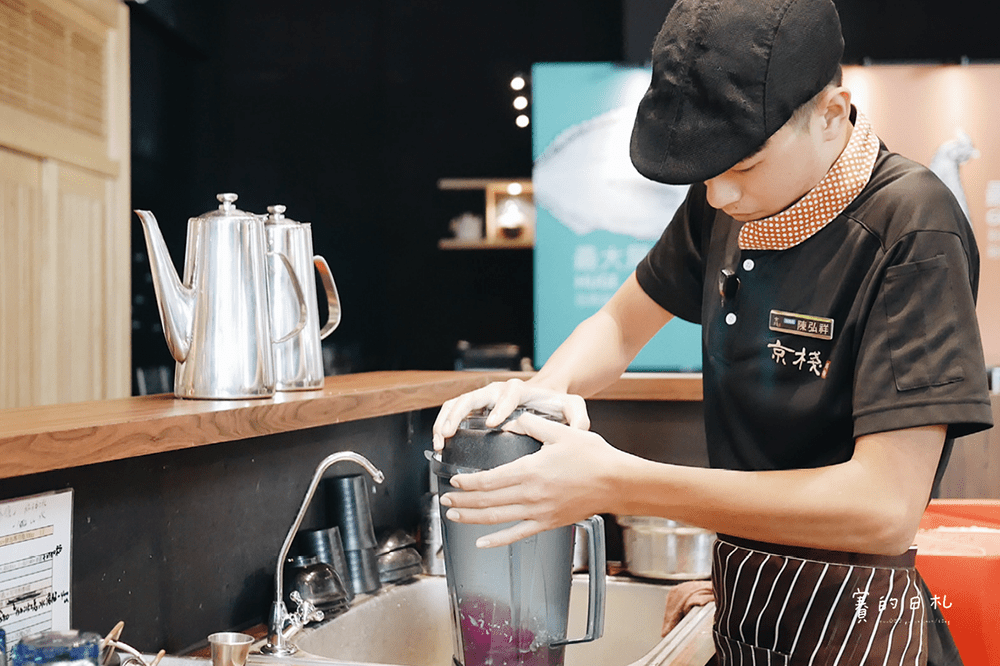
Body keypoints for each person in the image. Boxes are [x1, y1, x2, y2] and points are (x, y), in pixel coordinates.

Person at [432, 0, 993, 664]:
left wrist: (618, 481)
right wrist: (542, 390)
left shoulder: (913, 225)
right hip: (746, 606)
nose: (719, 195)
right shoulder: (724, 203)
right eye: (707, 173)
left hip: (859, 631)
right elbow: (620, 323)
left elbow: (882, 508)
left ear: (831, 113)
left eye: (743, 167)